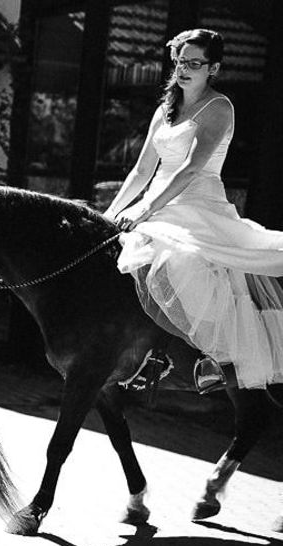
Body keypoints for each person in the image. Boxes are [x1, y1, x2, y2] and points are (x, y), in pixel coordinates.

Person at [106, 29, 283, 395]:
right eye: (180, 61)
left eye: (194, 63)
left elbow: (189, 169)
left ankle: (214, 356)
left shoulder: (219, 108)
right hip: (156, 204)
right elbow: (141, 171)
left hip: (197, 205)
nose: (184, 69)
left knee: (181, 260)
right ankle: (139, 354)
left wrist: (143, 210)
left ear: (213, 67)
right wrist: (109, 214)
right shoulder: (164, 109)